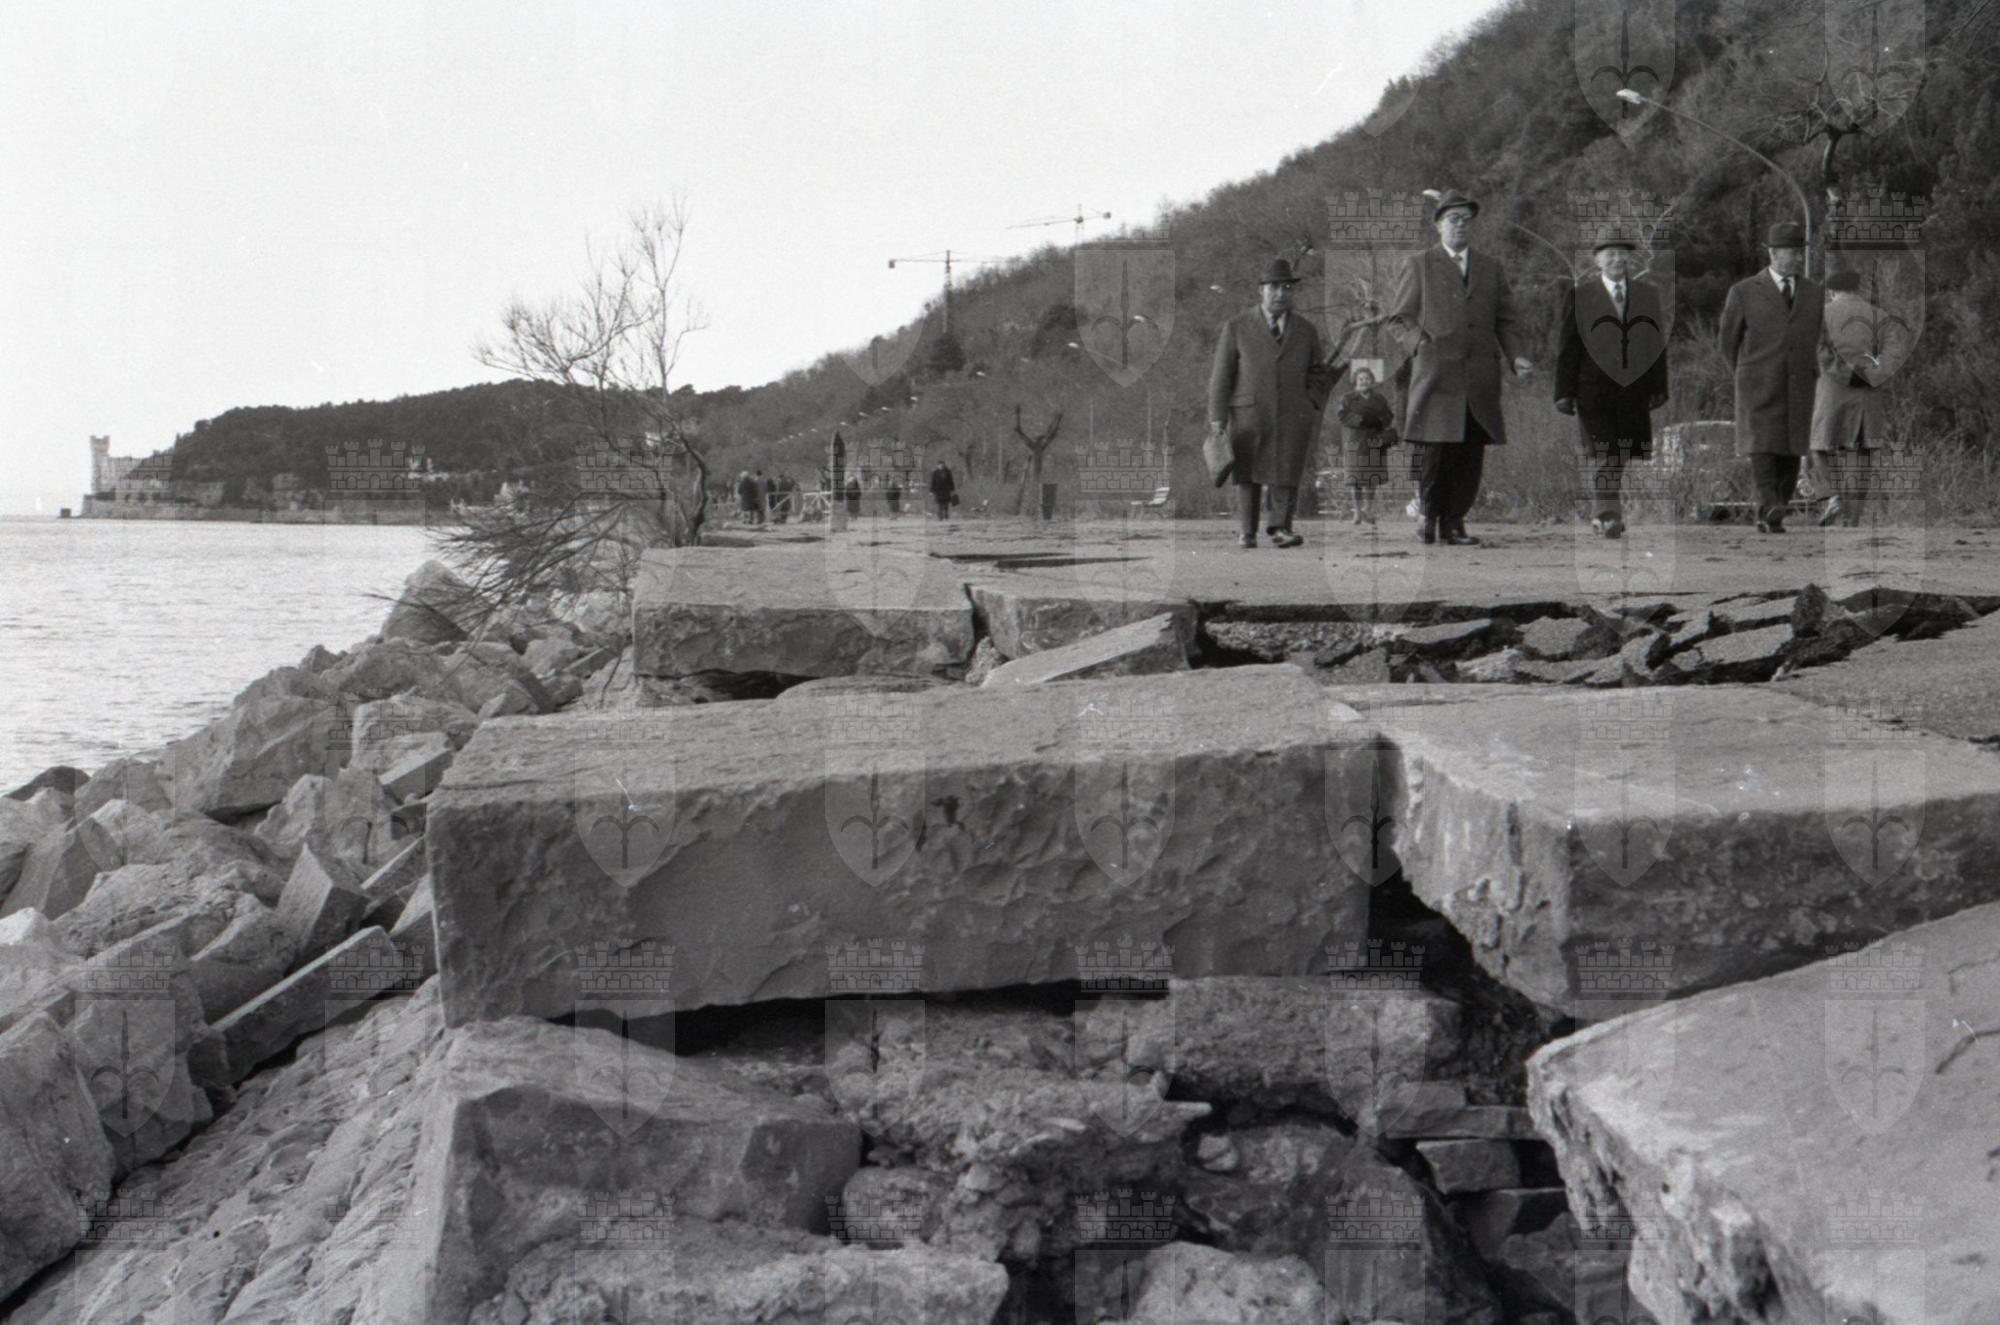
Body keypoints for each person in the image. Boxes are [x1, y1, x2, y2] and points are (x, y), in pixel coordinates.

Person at [1384, 190, 1533, 546]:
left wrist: (1517, 356)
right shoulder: (1419, 264)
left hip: (1480, 375)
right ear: (1438, 225)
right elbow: (1399, 319)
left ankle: (1454, 523)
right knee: (1436, 450)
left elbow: (1506, 321)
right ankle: (1428, 516)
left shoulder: (1490, 267)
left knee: (1470, 450)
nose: (1461, 225)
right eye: (1453, 219)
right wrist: (1419, 344)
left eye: (1466, 219)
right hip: (1436, 374)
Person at [1205, 257, 1350, 549]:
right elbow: (1221, 376)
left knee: (1287, 469)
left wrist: (1310, 402)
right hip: (1248, 413)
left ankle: (1281, 528)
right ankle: (1247, 532)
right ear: (1261, 290)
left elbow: (1317, 372)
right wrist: (1217, 419)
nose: (1280, 293)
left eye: (1286, 288)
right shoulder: (1236, 327)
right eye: (1273, 287)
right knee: (1247, 472)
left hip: (1292, 412)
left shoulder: (1306, 330)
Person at [1553, 234, 1670, 538]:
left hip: (1633, 391)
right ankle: (1608, 514)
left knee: (1621, 452)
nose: (1617, 259)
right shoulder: (1580, 296)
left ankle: (1601, 514)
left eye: (1622, 254)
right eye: (1610, 254)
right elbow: (1568, 347)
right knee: (1606, 451)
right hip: (1592, 390)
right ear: (1597, 260)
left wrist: (1659, 386)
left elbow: (1656, 344)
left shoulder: (1647, 295)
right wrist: (1563, 392)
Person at [1719, 221, 1822, 533]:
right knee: (1761, 445)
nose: (1798, 258)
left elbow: (1821, 337)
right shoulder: (1743, 292)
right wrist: (1745, 373)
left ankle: (1771, 513)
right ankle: (1771, 501)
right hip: (1758, 384)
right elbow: (1727, 341)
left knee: (1792, 447)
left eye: (1800, 252)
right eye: (1793, 252)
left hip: (1799, 385)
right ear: (1774, 253)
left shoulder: (1814, 293)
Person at [1811, 268, 1896, 527]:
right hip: (1868, 394)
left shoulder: (1822, 315)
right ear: (1858, 289)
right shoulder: (1880, 316)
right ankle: (1852, 520)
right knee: (1861, 454)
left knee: (1820, 445)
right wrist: (1870, 374)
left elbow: (1819, 351)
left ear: (1831, 291)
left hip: (1833, 391)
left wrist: (1846, 373)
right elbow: (1893, 355)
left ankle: (1832, 496)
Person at [1335, 365, 1397, 524]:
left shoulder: (1380, 399)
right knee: (1355, 479)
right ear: (1355, 381)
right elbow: (1342, 415)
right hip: (1355, 441)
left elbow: (1389, 415)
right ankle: (1357, 513)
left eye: (1367, 379)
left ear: (1372, 381)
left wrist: (1379, 421)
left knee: (1371, 478)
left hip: (1374, 440)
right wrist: (1361, 420)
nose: (1364, 381)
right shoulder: (1347, 398)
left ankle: (1368, 511)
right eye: (1361, 379)